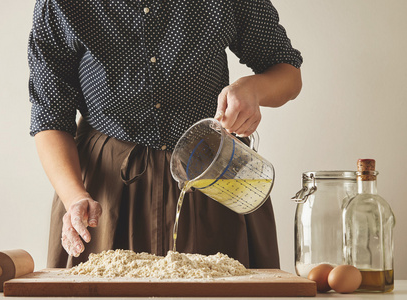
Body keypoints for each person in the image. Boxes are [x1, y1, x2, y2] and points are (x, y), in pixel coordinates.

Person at [28, 0, 303, 269]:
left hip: (212, 176)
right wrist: (74, 197)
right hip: (105, 190)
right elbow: (50, 118)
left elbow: (287, 73)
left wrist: (253, 88)